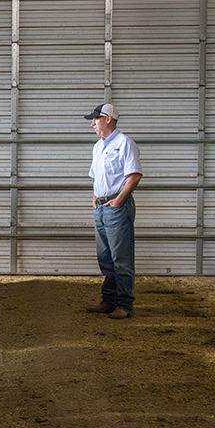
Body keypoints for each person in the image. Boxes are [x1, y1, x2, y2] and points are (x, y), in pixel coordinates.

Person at [83, 103, 142, 320]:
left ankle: (124, 305)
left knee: (121, 258)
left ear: (108, 119)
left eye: (96, 119)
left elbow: (134, 175)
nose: (93, 124)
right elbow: (96, 176)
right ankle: (109, 300)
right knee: (105, 257)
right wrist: (95, 197)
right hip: (101, 207)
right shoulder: (98, 147)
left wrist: (118, 201)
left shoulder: (124, 143)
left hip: (116, 208)